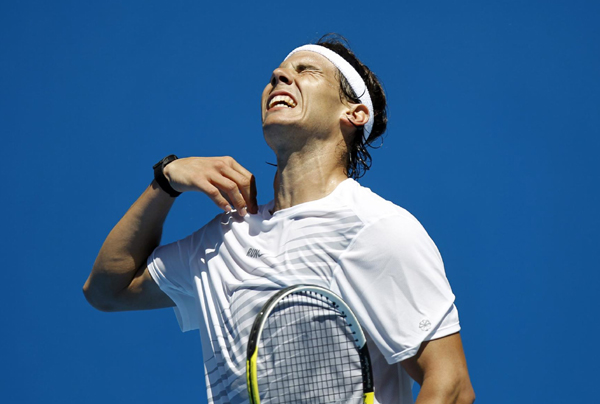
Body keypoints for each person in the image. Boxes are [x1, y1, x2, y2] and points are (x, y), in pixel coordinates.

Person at [84, 35, 475, 404]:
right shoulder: (223, 240)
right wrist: (165, 181)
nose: (279, 76)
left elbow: (452, 386)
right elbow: (107, 290)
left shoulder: (377, 228)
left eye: (306, 70)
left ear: (354, 112)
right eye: (278, 72)